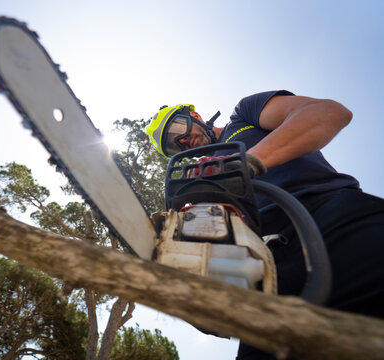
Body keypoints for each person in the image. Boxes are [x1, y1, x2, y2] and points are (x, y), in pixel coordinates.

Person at [145, 90, 384, 360]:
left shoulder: (244, 116)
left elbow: (329, 113)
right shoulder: (200, 173)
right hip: (267, 270)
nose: (181, 139)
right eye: (174, 145)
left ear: (194, 116)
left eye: (177, 128)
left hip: (333, 216)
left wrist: (245, 162)